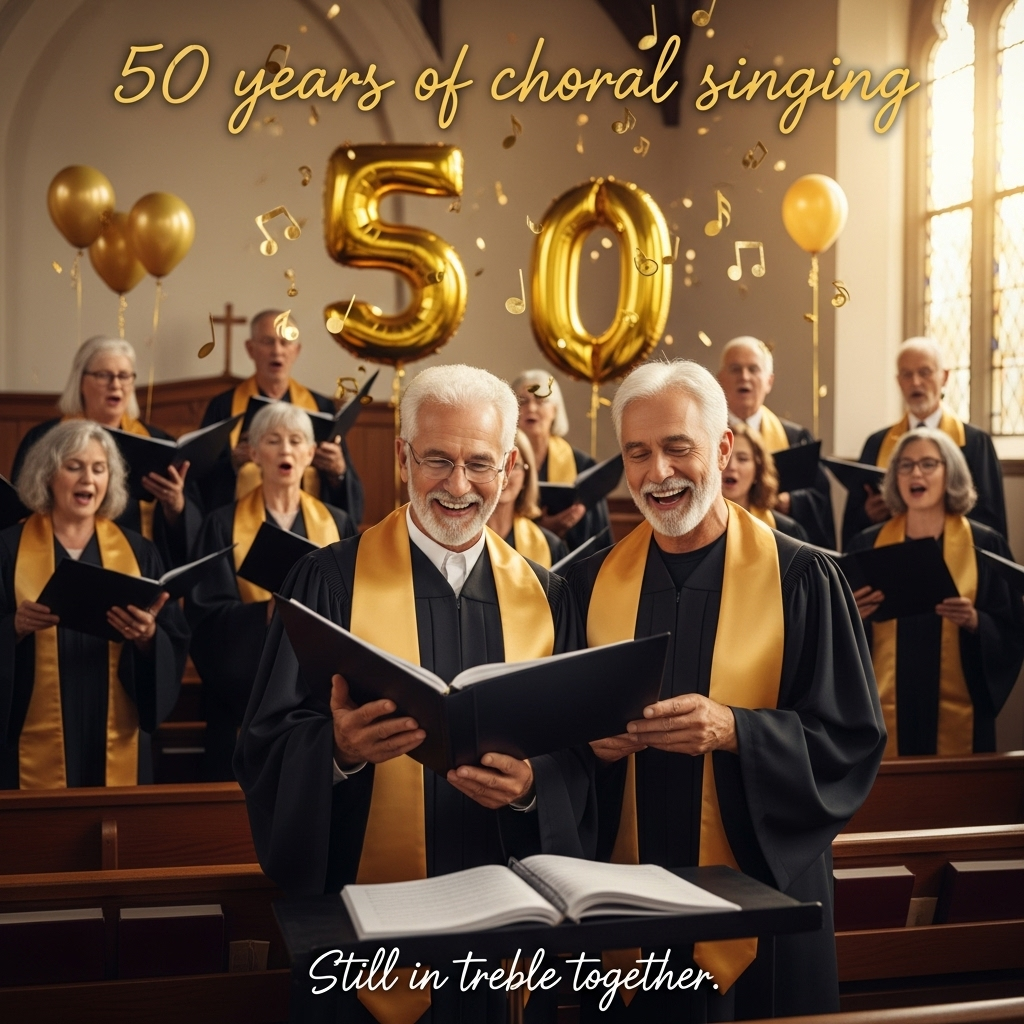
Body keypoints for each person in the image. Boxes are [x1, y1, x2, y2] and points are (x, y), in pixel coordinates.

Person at [235, 364, 594, 1024]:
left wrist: (533, 786)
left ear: (510, 466)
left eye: (480, 464)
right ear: (403, 457)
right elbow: (265, 741)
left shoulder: (547, 596)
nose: (459, 486)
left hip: (501, 930)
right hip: (361, 922)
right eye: (437, 460)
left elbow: (580, 753)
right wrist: (337, 751)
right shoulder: (327, 580)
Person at [567, 360, 885, 1020]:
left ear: (723, 448)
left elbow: (849, 740)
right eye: (638, 453)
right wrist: (587, 747)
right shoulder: (588, 585)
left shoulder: (802, 580)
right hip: (629, 903)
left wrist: (736, 729)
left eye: (677, 447)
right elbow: (552, 740)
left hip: (762, 904)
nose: (658, 473)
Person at [0, 421, 189, 788]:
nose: (88, 478)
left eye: (99, 468)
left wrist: (149, 638)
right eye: (74, 466)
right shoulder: (8, 549)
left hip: (114, 726)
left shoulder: (138, 551)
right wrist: (13, 627)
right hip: (29, 730)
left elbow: (173, 634)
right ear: (47, 475)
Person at [186, 404, 355, 781]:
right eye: (273, 441)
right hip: (241, 697)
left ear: (311, 454)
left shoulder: (338, 523)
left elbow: (356, 607)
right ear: (254, 452)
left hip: (317, 693)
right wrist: (261, 615)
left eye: (297, 441)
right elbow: (204, 614)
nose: (286, 450)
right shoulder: (221, 524)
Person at [847, 428, 1023, 757]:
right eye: (906, 465)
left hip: (960, 706)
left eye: (929, 464)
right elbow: (835, 639)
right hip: (883, 705)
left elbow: (1013, 628)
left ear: (950, 473)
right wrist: (851, 618)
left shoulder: (984, 545)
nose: (916, 473)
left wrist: (976, 622)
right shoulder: (866, 545)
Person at [11, 336, 200, 568]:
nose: (116, 384)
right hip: (53, 561)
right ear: (80, 380)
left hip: (136, 565)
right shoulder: (45, 439)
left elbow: (185, 539)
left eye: (124, 376)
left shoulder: (158, 442)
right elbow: (20, 510)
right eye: (104, 375)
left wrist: (175, 506)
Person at [197, 310, 364, 523]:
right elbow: (200, 482)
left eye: (285, 342)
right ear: (251, 348)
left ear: (296, 350)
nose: (277, 351)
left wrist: (338, 472)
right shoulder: (223, 407)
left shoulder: (321, 407)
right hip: (241, 525)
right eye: (268, 342)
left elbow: (347, 497)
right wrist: (232, 464)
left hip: (306, 525)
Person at [841, 337, 1007, 548]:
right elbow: (852, 524)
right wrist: (868, 513)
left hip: (956, 553)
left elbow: (991, 519)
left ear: (944, 377)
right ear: (898, 381)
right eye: (907, 374)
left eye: (925, 372)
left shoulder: (975, 442)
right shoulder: (877, 443)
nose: (915, 382)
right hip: (891, 554)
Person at [717, 337, 835, 548]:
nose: (744, 376)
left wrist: (792, 503)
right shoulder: (704, 436)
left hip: (780, 539)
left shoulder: (794, 437)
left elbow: (819, 496)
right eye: (735, 369)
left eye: (753, 369)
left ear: (769, 381)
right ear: (720, 379)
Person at [514, 370, 611, 551]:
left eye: (541, 400)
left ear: (555, 410)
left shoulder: (582, 465)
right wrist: (539, 532)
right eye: (523, 401)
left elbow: (597, 534)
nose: (532, 408)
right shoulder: (501, 462)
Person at [487, 429, 568, 568]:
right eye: (498, 465)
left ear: (526, 477)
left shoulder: (551, 546)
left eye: (514, 466)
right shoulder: (458, 543)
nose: (505, 476)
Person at [721, 423, 808, 541]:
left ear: (758, 470)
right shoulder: (695, 528)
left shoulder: (787, 531)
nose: (732, 466)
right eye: (725, 457)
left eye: (742, 459)